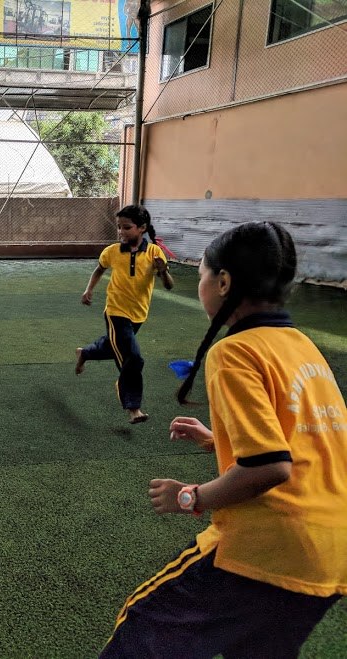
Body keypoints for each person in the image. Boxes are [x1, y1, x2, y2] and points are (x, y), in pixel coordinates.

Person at [101, 222, 347, 657]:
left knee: (142, 627)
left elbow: (271, 466)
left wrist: (191, 497)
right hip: (331, 552)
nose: (200, 285)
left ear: (224, 281)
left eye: (200, 275)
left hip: (271, 546)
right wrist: (219, 440)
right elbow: (311, 440)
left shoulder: (234, 352)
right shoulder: (301, 344)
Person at [75, 204, 173, 424]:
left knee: (113, 346)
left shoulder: (154, 253)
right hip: (115, 312)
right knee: (133, 358)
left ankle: (86, 353)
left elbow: (168, 285)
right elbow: (99, 269)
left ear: (142, 228)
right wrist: (88, 289)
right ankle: (133, 407)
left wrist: (163, 270)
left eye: (126, 227)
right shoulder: (112, 251)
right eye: (119, 227)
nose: (121, 232)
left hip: (138, 315)